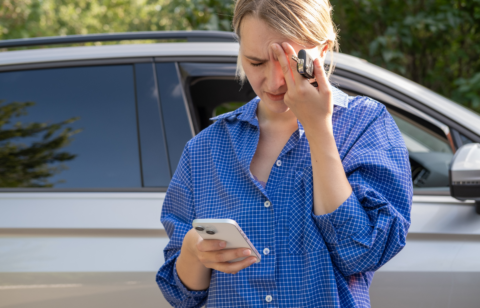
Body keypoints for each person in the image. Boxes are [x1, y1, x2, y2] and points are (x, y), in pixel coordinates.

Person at [156, 0, 413, 306]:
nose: (276, 81)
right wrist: (193, 249)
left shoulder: (366, 125)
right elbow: (180, 295)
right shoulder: (205, 149)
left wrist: (318, 128)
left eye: (290, 62)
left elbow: (363, 252)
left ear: (324, 49)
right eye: (256, 62)